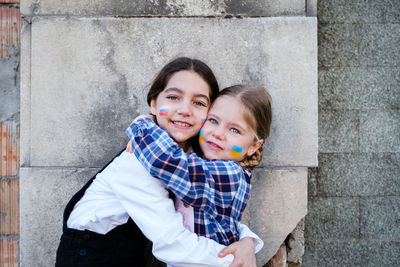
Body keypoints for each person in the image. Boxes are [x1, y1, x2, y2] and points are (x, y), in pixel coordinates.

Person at [55, 58, 262, 267]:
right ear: (154, 104)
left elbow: (215, 214)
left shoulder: (195, 158)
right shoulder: (136, 162)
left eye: (199, 103)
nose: (185, 110)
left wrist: (247, 242)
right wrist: (236, 259)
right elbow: (172, 244)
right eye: (173, 97)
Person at [126, 85, 272, 247]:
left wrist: (143, 124)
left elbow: (165, 161)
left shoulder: (232, 174)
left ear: (254, 146)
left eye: (235, 130)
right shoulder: (201, 158)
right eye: (213, 121)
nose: (217, 133)